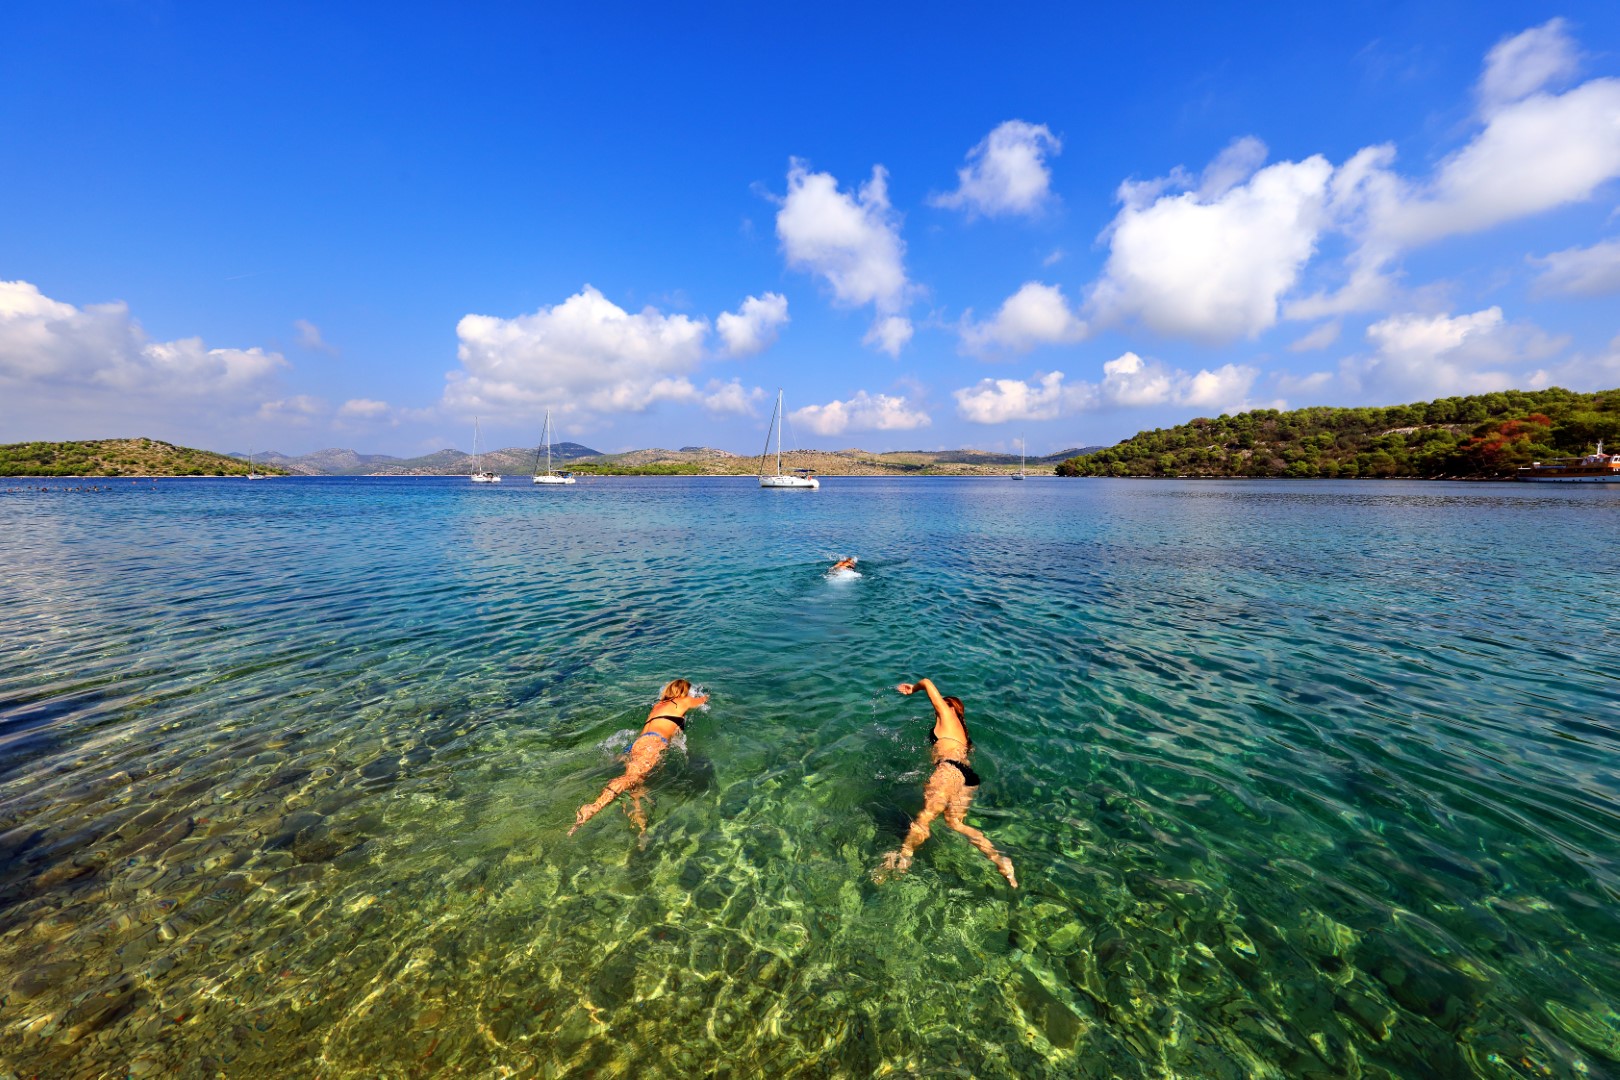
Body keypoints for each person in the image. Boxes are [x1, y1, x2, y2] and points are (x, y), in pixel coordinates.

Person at [878, 677, 1017, 888]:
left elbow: (926, 682)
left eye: (943, 705)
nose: (938, 709)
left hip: (949, 771)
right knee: (955, 823)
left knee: (925, 818)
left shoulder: (947, 715)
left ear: (951, 708)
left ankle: (903, 856)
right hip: (968, 777)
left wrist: (912, 689)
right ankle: (1000, 859)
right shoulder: (962, 732)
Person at [570, 678, 708, 835]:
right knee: (630, 779)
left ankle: (640, 827)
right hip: (653, 744)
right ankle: (593, 807)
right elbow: (703, 701)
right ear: (683, 691)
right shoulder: (682, 701)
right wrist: (701, 693)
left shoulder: (658, 705)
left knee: (638, 789)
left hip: (638, 743)